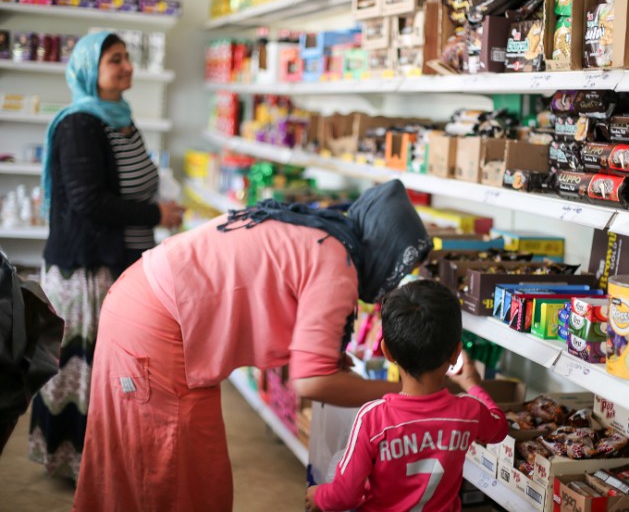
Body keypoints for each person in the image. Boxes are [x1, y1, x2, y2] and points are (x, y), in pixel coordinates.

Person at [71, 179, 432, 511]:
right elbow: (311, 382)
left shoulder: (323, 235)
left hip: (149, 308)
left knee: (190, 474)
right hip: (156, 332)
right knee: (170, 478)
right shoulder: (338, 265)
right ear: (385, 248)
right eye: (399, 269)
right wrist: (405, 393)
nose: (394, 282)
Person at [28, 31, 184, 482]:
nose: (127, 66)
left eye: (128, 58)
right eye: (114, 60)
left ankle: (101, 459)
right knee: (82, 368)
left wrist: (160, 203)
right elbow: (87, 201)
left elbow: (128, 182)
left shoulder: (121, 118)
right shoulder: (80, 124)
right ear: (88, 70)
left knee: (109, 367)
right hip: (85, 269)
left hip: (118, 262)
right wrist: (157, 211)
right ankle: (73, 462)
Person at [305, 279, 509, 512]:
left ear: (387, 352)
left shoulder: (373, 419)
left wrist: (318, 495)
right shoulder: (469, 412)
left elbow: (344, 496)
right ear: (455, 354)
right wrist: (473, 385)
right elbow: (499, 427)